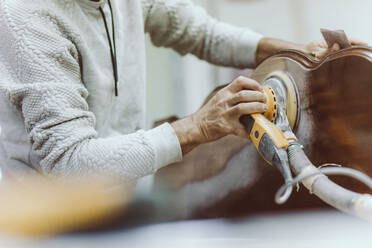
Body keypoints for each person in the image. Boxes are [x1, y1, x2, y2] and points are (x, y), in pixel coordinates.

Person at [0, 0, 365, 182]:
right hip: (46, 219)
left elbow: (196, 31)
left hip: (118, 191)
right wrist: (198, 127)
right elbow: (69, 164)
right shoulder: (26, 19)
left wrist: (297, 52)